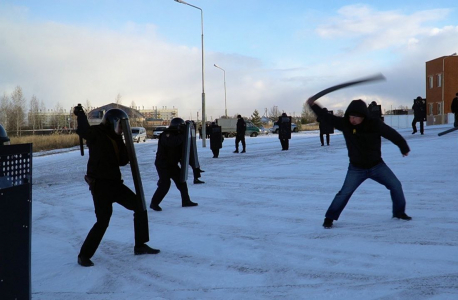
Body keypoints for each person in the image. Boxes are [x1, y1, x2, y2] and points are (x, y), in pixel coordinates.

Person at [306, 97, 412, 229]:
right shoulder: (345, 124)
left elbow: (391, 134)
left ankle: (399, 213)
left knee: (396, 185)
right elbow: (325, 117)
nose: (352, 120)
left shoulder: (374, 124)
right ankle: (329, 218)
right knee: (344, 193)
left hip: (377, 165)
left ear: (363, 116)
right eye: (350, 117)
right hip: (356, 168)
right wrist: (313, 105)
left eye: (355, 117)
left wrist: (403, 146)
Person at [74, 107, 159, 267]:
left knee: (139, 206)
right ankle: (84, 255)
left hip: (115, 184)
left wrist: (125, 145)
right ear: (112, 122)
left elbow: (122, 161)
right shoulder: (97, 133)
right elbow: (84, 130)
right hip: (100, 185)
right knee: (103, 221)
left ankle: (140, 245)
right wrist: (80, 115)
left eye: (123, 126)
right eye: (120, 125)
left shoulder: (118, 138)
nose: (122, 129)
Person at [150, 117, 198, 211]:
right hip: (163, 163)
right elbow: (172, 143)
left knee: (181, 182)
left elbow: (183, 151)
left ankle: (186, 201)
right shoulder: (167, 134)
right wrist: (184, 134)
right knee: (165, 184)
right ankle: (154, 203)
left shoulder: (178, 135)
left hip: (172, 163)